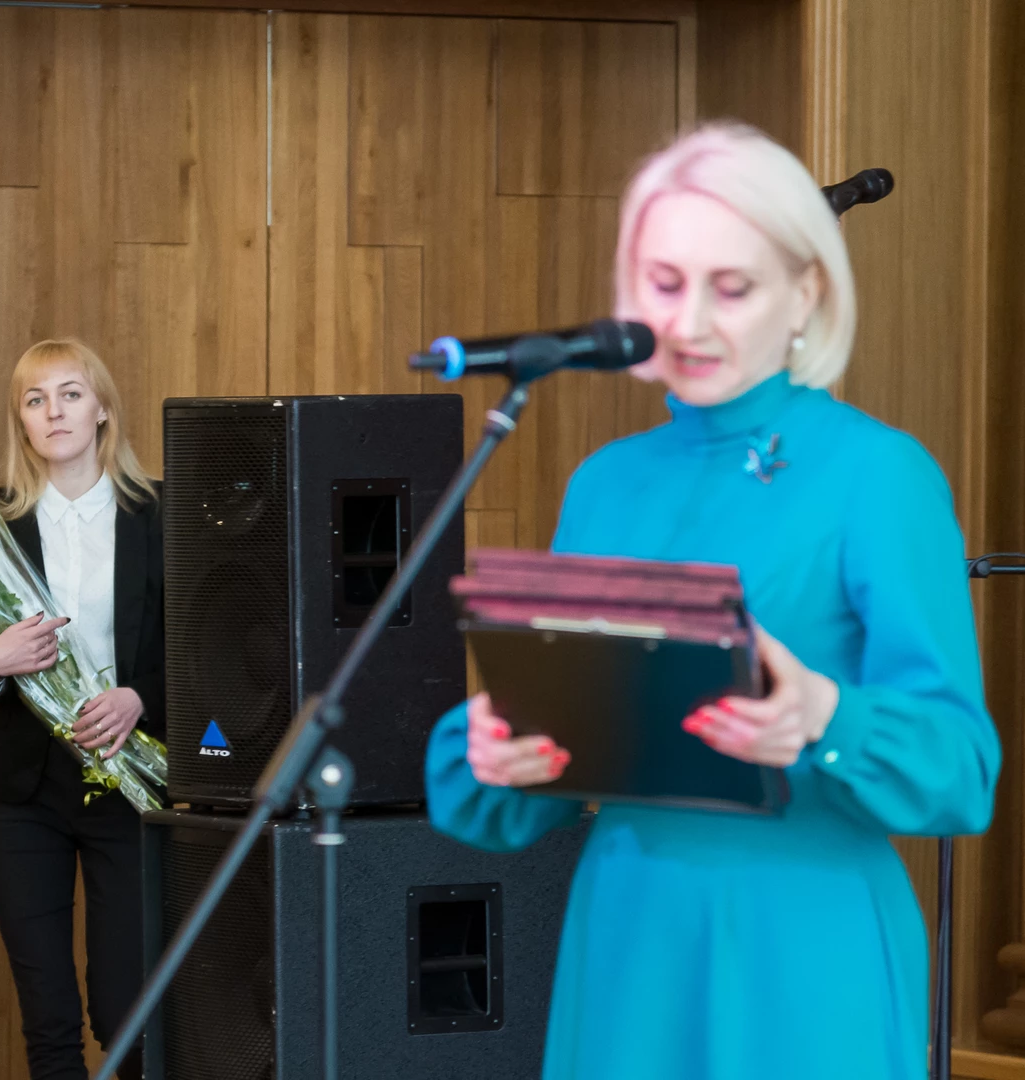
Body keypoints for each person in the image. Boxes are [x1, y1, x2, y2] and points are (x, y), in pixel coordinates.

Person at [425, 124, 1000, 1080]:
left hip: (801, 940)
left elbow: (960, 771)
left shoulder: (878, 473)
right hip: (627, 933)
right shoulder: (604, 482)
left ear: (806, 293)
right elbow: (534, 790)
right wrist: (501, 749)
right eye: (662, 283)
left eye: (730, 288)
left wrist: (823, 714)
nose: (688, 321)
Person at [0, 338, 164, 1080]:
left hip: (129, 786)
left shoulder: (162, 513)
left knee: (126, 1008)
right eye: (35, 399)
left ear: (101, 408)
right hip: (25, 791)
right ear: (21, 421)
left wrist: (141, 698)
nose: (55, 412)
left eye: (70, 394)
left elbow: (210, 648)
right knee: (47, 1015)